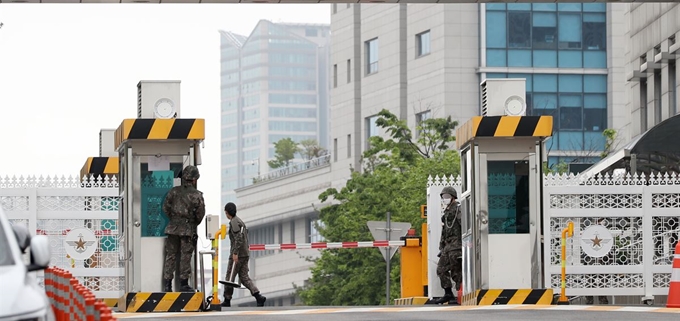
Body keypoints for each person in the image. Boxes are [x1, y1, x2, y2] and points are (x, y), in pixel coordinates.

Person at [161, 165, 206, 292]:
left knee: (171, 255)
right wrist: (191, 223)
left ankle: (167, 285)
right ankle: (183, 284)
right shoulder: (197, 195)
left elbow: (165, 207)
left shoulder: (173, 191)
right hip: (187, 229)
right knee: (185, 256)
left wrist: (174, 219)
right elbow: (200, 215)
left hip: (172, 228)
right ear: (194, 179)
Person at [221, 202, 266, 307]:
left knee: (229, 277)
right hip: (245, 254)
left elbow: (238, 238)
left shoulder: (234, 222)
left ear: (227, 212)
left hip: (238, 255)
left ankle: (227, 300)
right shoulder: (239, 221)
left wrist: (235, 253)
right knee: (244, 277)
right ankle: (258, 296)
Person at [433, 186, 462, 305]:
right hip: (448, 246)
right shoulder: (446, 212)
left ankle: (460, 294)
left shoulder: (458, 210)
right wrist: (442, 246)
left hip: (457, 245)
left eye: (447, 196)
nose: (445, 199)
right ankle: (448, 293)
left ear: (453, 197)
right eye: (443, 197)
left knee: (456, 271)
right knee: (441, 269)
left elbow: (464, 225)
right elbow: (444, 231)